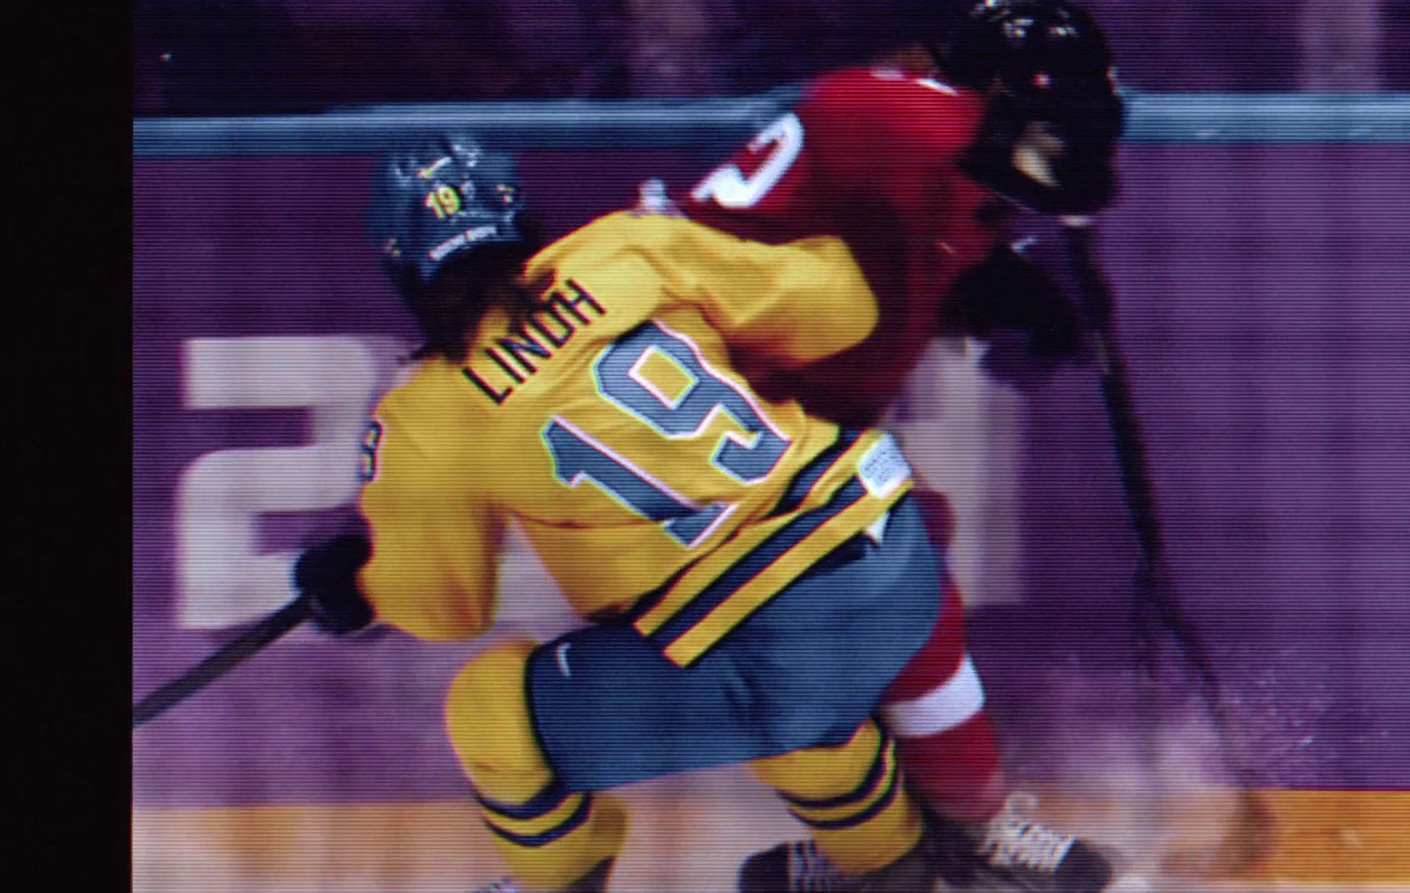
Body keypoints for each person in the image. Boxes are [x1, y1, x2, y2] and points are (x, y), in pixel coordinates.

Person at [293, 132, 971, 893]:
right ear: (521, 213)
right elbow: (839, 307)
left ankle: (562, 880)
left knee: (491, 708)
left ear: (400, 262)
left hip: (770, 644)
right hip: (895, 557)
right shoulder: (624, 246)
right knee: (781, 689)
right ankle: (892, 861)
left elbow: (447, 608)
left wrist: (356, 587)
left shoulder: (426, 414)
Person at [670, 2, 1128, 891]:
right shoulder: (904, 113)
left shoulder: (943, 157)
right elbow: (858, 114)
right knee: (896, 563)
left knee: (908, 547)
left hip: (746, 419)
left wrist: (998, 283)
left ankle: (895, 840)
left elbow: (920, 219)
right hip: (703, 417)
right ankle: (962, 833)